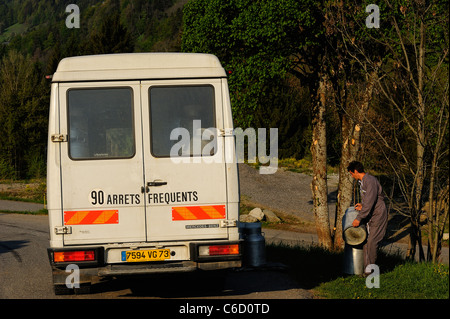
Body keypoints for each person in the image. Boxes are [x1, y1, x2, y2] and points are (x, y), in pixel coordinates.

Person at [347, 161, 388, 276]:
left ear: (355, 171)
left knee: (372, 242)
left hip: (378, 214)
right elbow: (368, 200)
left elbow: (370, 202)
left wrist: (359, 218)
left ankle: (371, 272)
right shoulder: (363, 182)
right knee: (366, 242)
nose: (352, 176)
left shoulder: (370, 181)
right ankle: (366, 270)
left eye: (351, 174)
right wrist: (362, 205)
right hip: (371, 213)